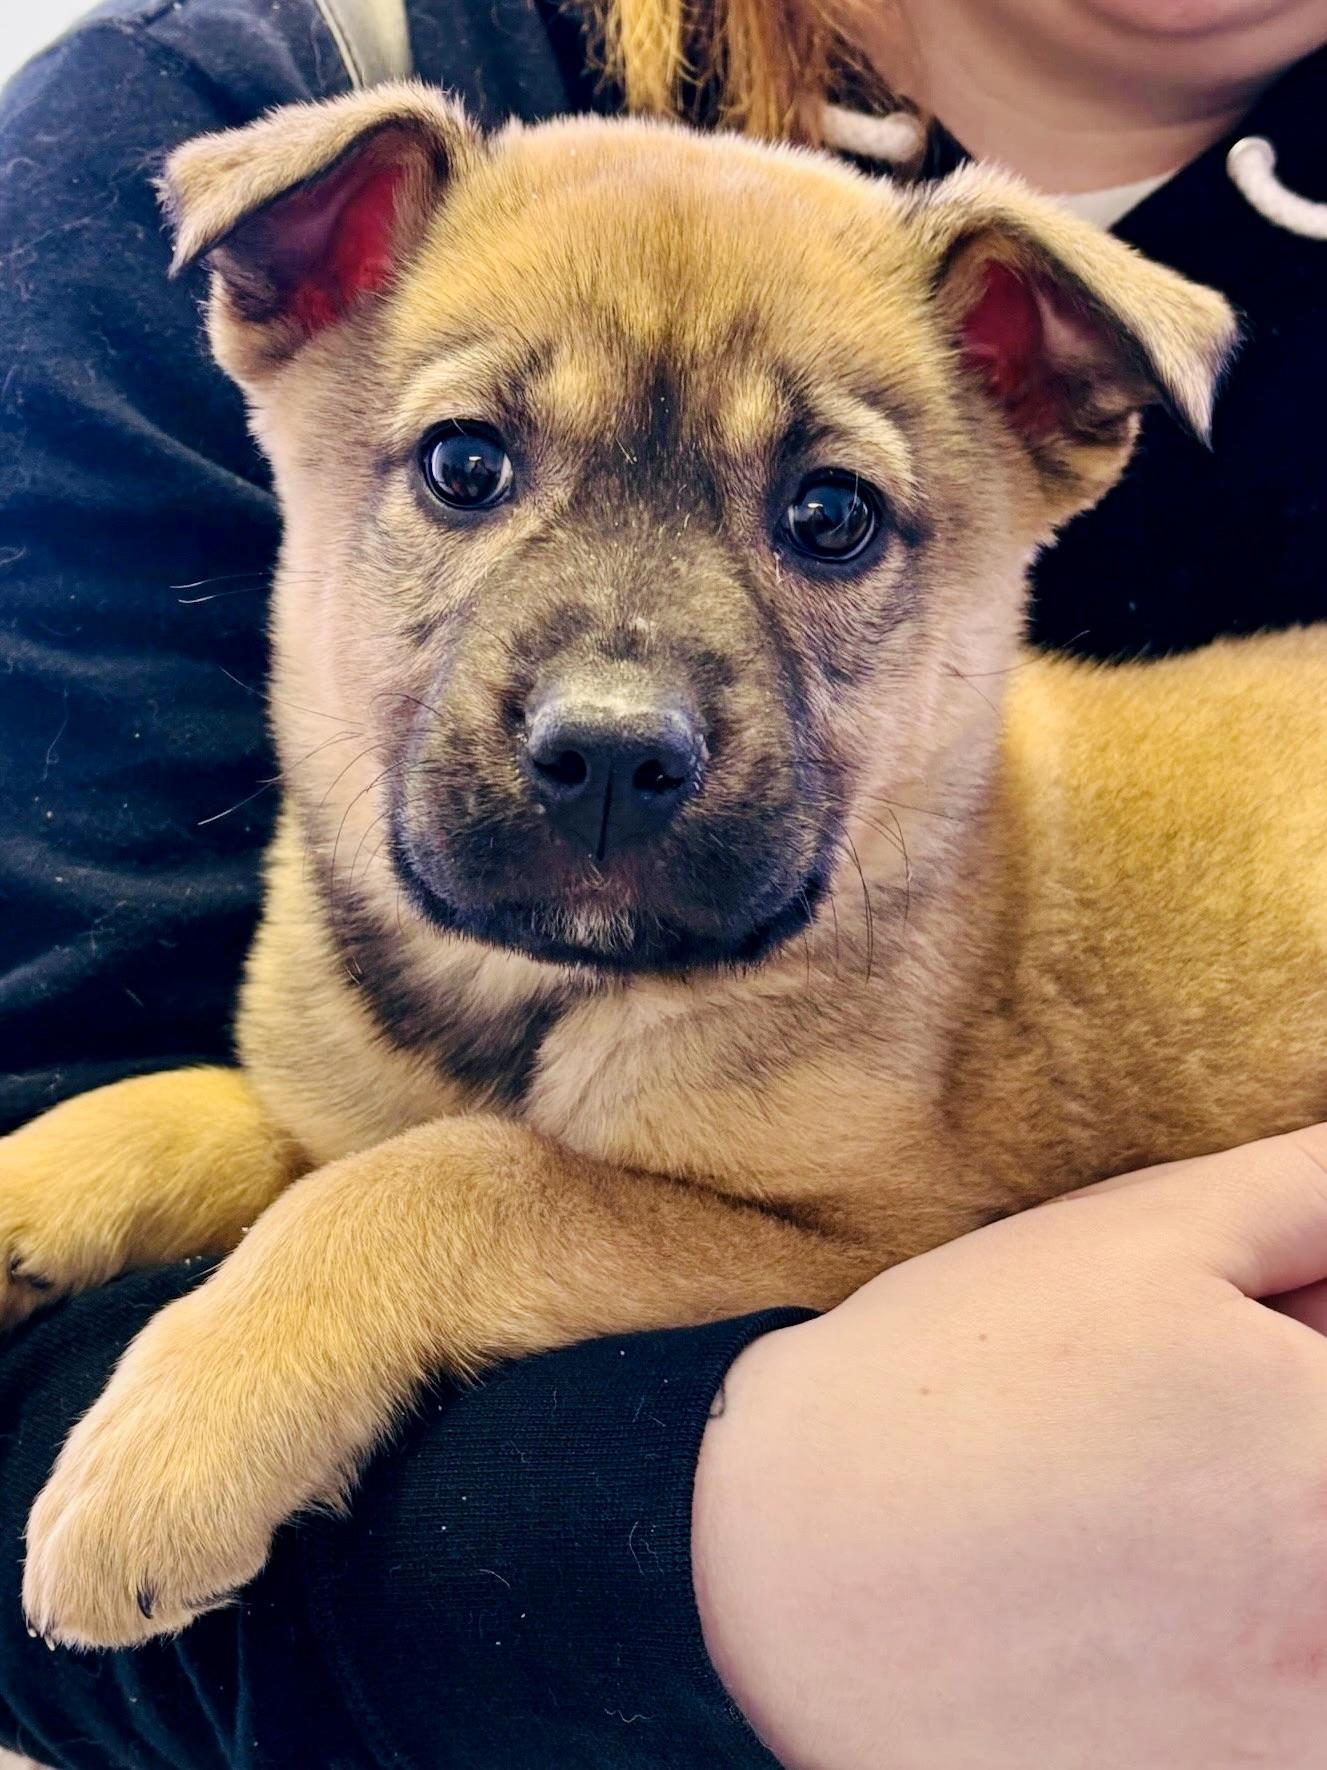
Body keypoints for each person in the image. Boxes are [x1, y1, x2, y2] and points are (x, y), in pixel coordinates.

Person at [0, 0, 1324, 1763]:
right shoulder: (272, 81)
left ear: (1046, 410)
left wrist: (421, 1224)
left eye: (830, 518)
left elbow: (850, 1221)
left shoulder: (871, 988)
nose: (621, 706)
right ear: (294, 299)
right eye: (473, 469)